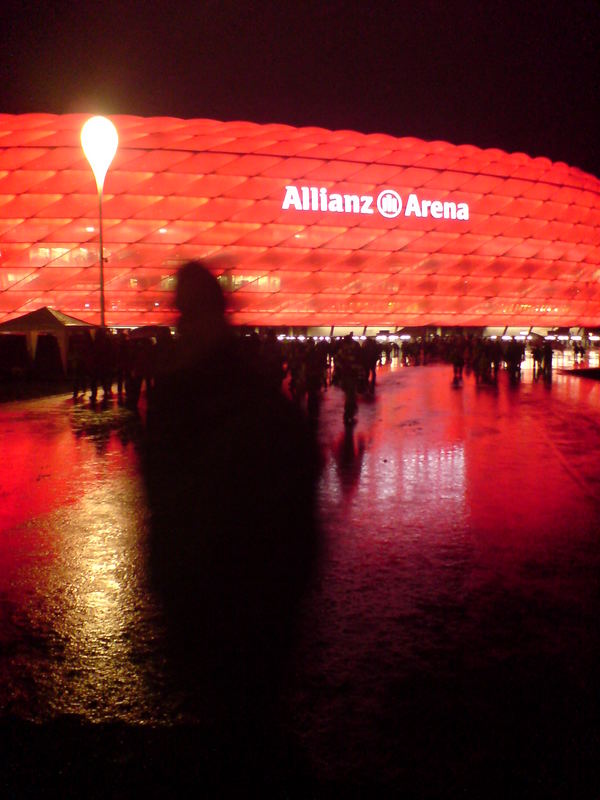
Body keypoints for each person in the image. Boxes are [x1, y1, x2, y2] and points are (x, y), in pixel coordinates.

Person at [142, 261, 320, 789]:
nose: (182, 324)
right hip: (247, 602)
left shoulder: (188, 393)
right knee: (245, 729)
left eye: (185, 313)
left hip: (229, 599)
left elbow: (164, 494)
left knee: (230, 731)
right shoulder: (242, 387)